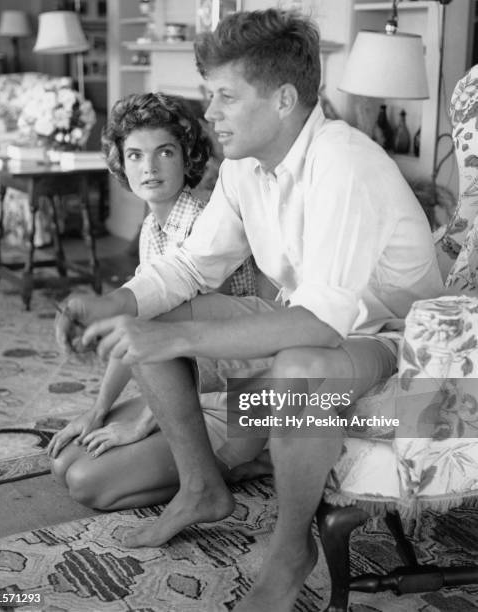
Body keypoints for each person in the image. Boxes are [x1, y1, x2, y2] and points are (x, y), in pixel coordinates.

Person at [54, 9, 443, 612]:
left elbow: (320, 324)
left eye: (225, 97)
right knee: (160, 316)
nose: (209, 114)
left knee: (297, 364)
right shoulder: (242, 167)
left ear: (283, 98)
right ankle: (202, 487)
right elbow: (189, 268)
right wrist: (110, 302)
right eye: (211, 96)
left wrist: (179, 345)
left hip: (393, 340)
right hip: (310, 325)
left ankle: (292, 549)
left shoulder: (346, 163)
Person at [47, 91, 259, 512]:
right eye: (135, 155)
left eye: (165, 152)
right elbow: (139, 328)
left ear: (187, 158)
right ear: (121, 164)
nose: (150, 168)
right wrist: (98, 409)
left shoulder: (205, 225)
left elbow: (197, 339)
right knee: (63, 463)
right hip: (186, 389)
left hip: (234, 395)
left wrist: (142, 423)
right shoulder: (151, 230)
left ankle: (249, 462)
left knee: (89, 483)